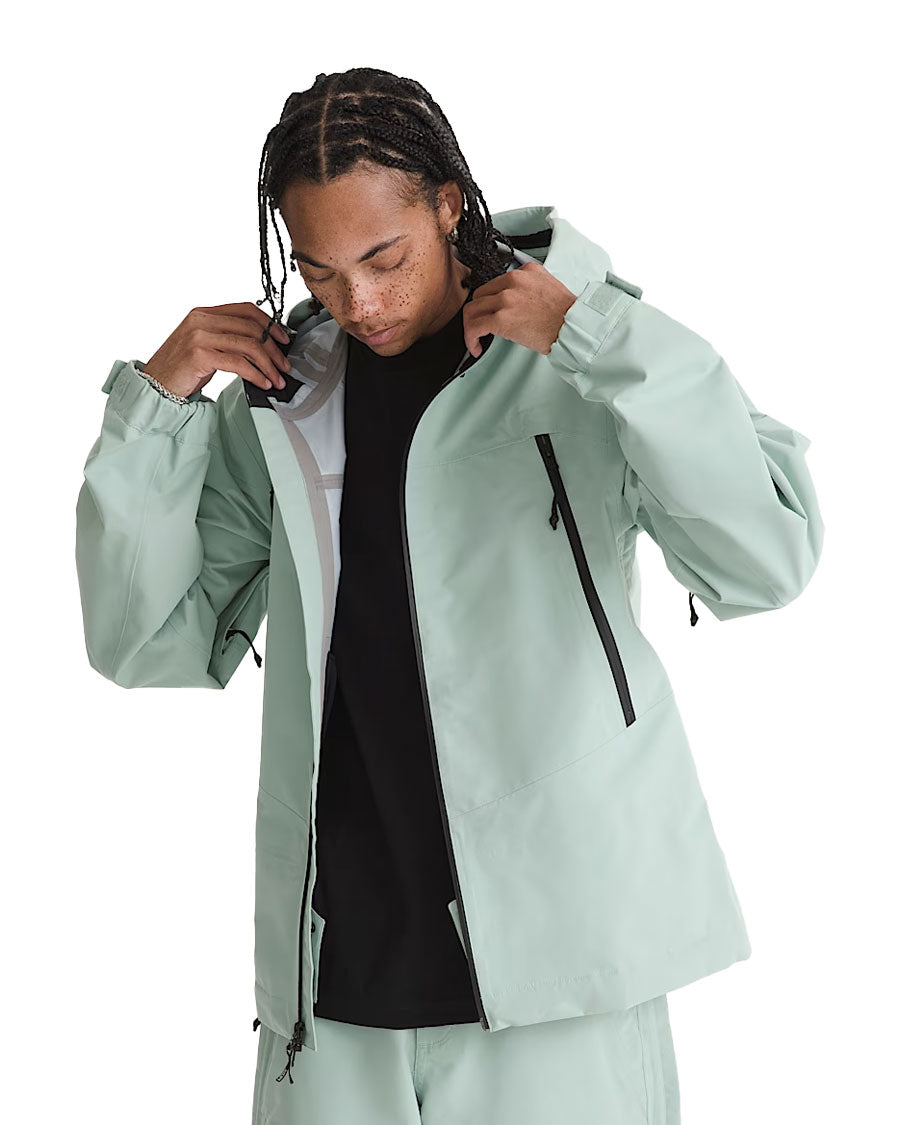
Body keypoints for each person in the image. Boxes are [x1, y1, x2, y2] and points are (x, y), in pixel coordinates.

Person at [75, 67, 825, 1124]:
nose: (359, 304)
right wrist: (154, 408)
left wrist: (596, 337)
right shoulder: (289, 397)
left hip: (562, 968)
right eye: (320, 270)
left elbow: (767, 557)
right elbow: (146, 638)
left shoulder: (576, 352)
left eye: (384, 259)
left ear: (448, 203)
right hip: (333, 982)